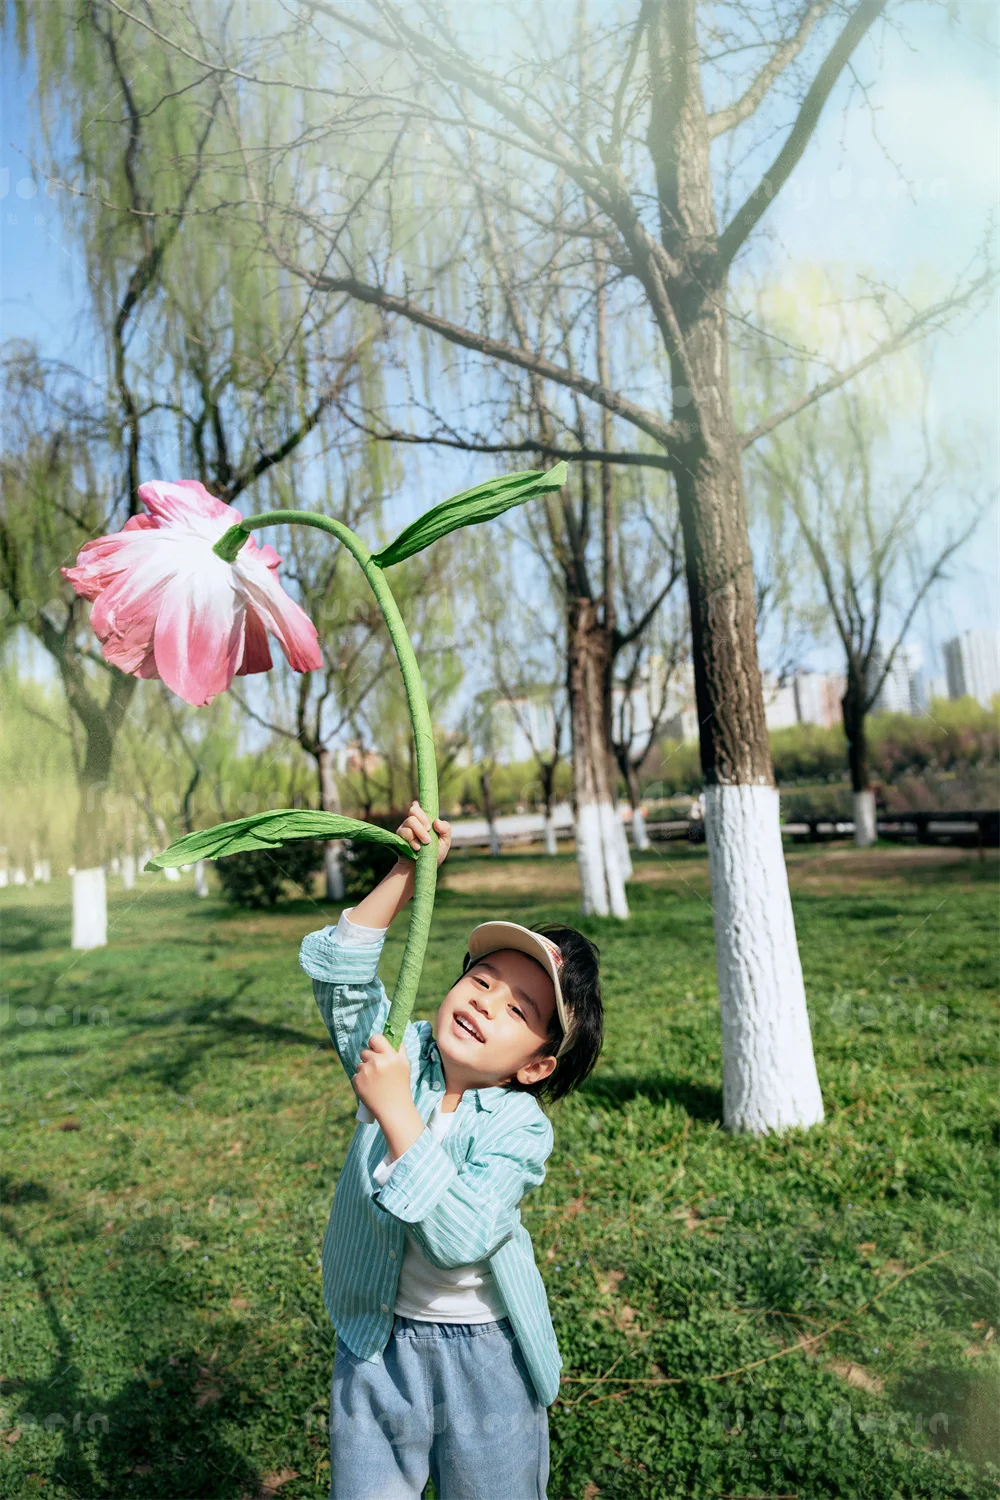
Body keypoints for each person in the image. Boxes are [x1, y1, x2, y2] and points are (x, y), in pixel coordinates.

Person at [299, 802, 604, 1500]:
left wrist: (396, 1112)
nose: (487, 1003)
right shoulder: (402, 1052)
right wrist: (407, 872)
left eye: (519, 1010)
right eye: (481, 980)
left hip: (486, 1357)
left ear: (536, 1065)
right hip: (375, 1344)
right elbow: (340, 980)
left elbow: (459, 1238)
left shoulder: (519, 1130)